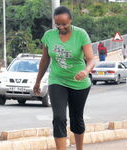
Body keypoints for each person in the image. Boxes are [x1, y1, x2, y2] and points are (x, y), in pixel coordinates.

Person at [33, 6, 95, 150]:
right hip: (57, 80)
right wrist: (37, 81)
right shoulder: (49, 36)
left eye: (64, 24)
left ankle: (79, 148)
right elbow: (44, 60)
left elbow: (91, 59)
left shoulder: (81, 34)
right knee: (59, 118)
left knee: (76, 119)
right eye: (58, 24)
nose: (61, 27)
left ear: (70, 21)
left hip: (79, 82)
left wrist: (86, 71)